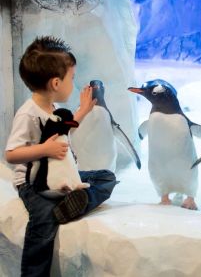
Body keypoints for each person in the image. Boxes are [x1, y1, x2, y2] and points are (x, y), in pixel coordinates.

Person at [4, 36, 118, 277]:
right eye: (72, 78)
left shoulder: (53, 109)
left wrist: (83, 111)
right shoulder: (28, 114)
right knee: (43, 220)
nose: (73, 84)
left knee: (106, 177)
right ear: (56, 83)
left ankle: (73, 204)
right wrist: (44, 150)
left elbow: (65, 130)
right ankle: (34, 273)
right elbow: (12, 154)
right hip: (34, 184)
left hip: (63, 176)